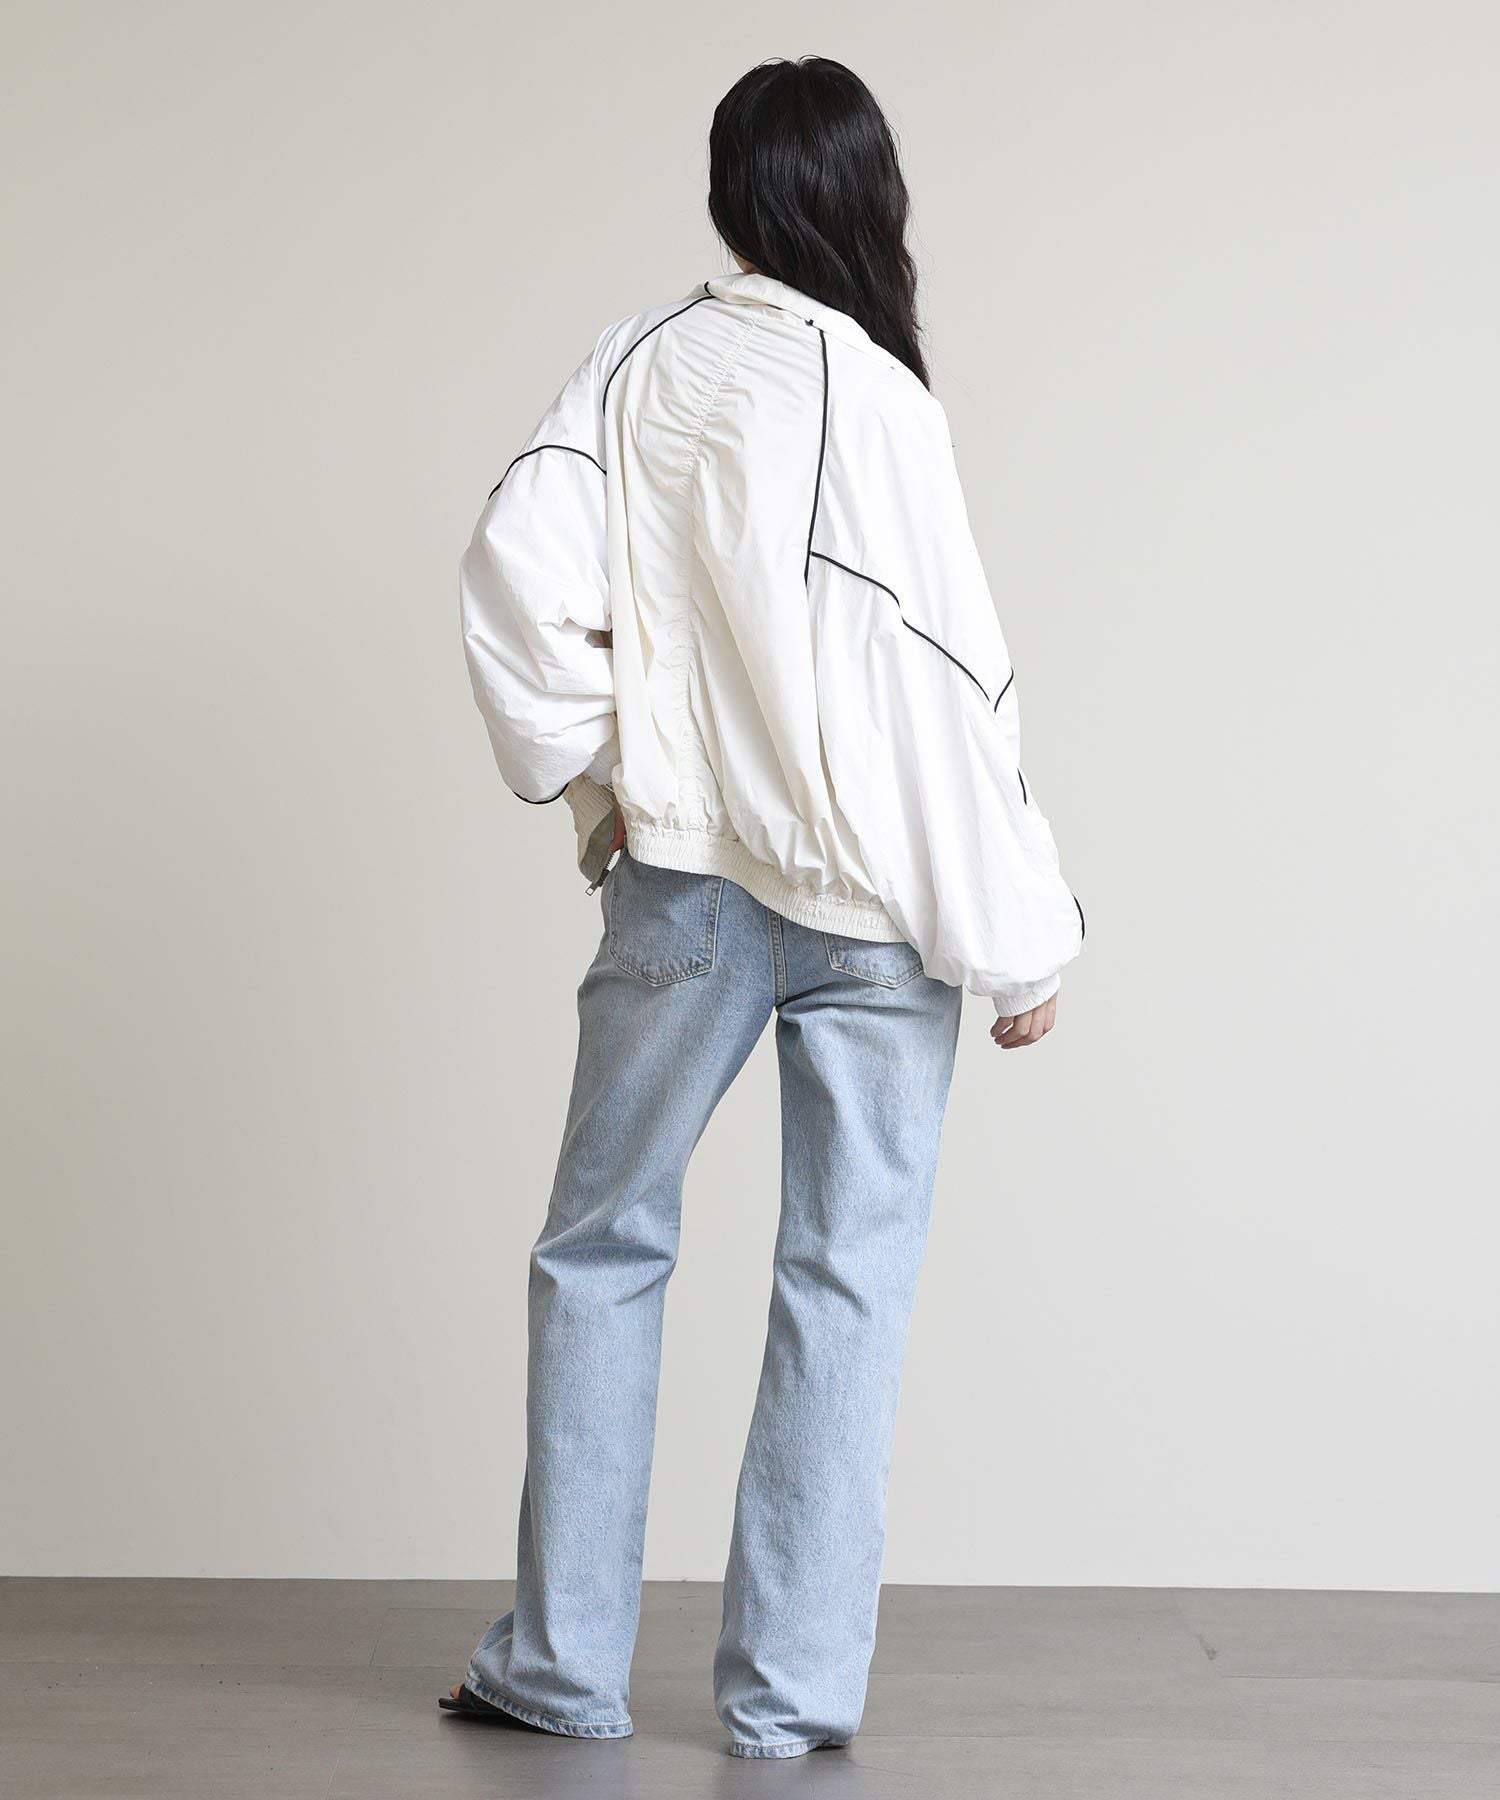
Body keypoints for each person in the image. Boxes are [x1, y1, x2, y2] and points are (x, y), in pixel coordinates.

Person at [446, 54, 1084, 1761]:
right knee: (844, 1281)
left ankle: (558, 1671)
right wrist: (1017, 936)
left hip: (686, 887)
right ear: (870, 197)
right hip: (878, 913)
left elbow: (511, 577)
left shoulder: (634, 360)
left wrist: (609, 783)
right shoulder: (880, 395)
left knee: (601, 1248)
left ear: (728, 192)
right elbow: (947, 685)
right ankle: (788, 1702)